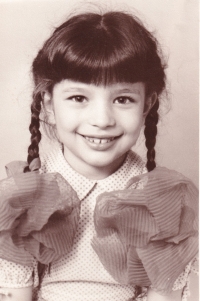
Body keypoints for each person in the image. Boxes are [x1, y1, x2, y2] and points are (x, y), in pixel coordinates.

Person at [0, 9, 198, 301]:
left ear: (146, 105)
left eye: (122, 99)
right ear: (50, 105)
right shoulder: (23, 197)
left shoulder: (163, 201)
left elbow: (163, 295)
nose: (102, 119)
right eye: (78, 98)